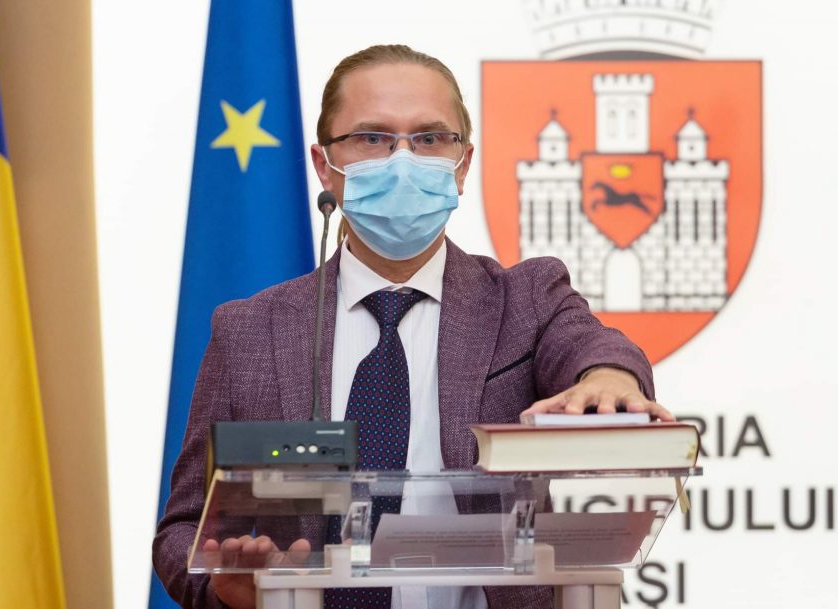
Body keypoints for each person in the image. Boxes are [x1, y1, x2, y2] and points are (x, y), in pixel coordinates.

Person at [153, 44, 673, 609]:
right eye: (372, 138)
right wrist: (228, 587)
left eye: (429, 138)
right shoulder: (249, 331)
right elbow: (183, 529)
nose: (402, 160)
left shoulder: (526, 298)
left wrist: (610, 378)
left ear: (462, 164)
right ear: (325, 166)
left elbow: (592, 347)